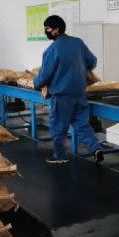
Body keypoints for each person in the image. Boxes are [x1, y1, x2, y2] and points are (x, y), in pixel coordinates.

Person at [34, 15, 104, 164]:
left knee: (58, 127)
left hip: (61, 96)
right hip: (79, 94)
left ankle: (60, 155)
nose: (46, 31)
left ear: (57, 29)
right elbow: (92, 62)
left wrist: (36, 83)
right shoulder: (78, 43)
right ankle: (96, 148)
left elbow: (44, 75)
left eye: (48, 29)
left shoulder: (52, 49)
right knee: (82, 125)